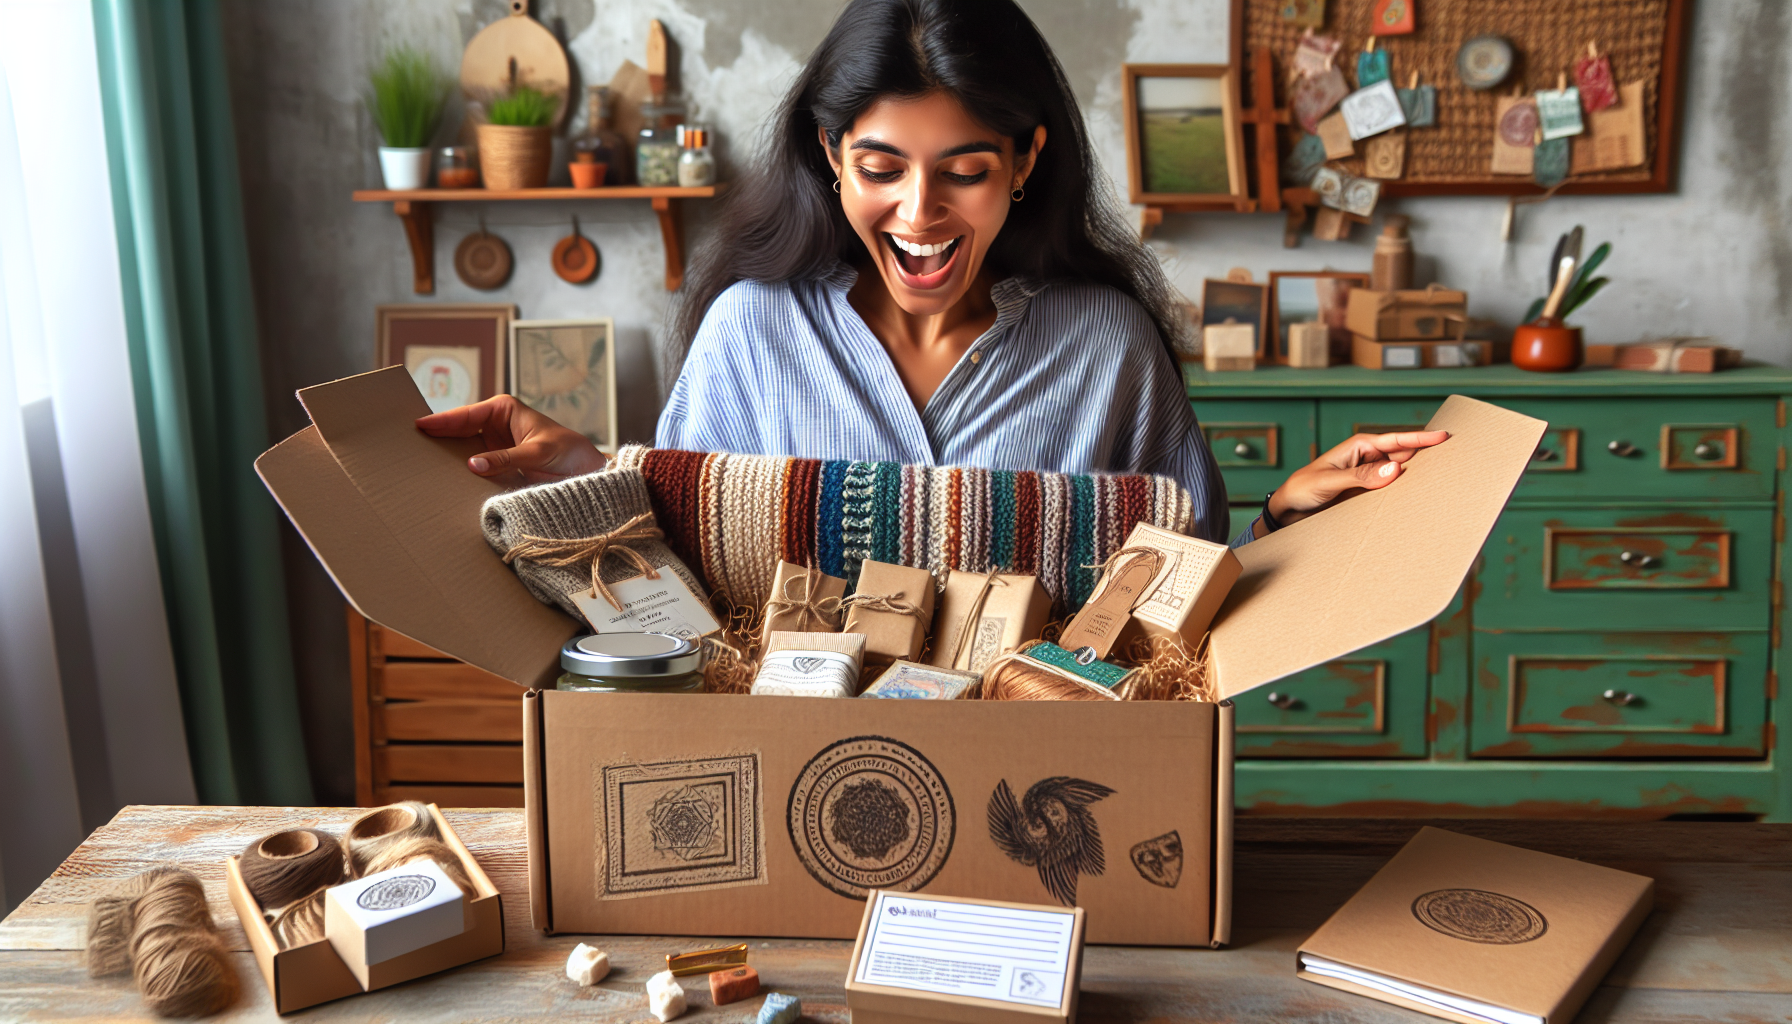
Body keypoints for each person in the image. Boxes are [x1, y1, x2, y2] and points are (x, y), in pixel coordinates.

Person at [418, 0, 1444, 542]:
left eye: (963, 172)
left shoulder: (1106, 344)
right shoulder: (752, 330)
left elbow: (1186, 609)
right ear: (830, 155)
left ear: (1026, 163)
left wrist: (1277, 519)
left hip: (1047, 799)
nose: (918, 214)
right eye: (879, 168)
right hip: (800, 791)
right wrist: (588, 474)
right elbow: (678, 560)